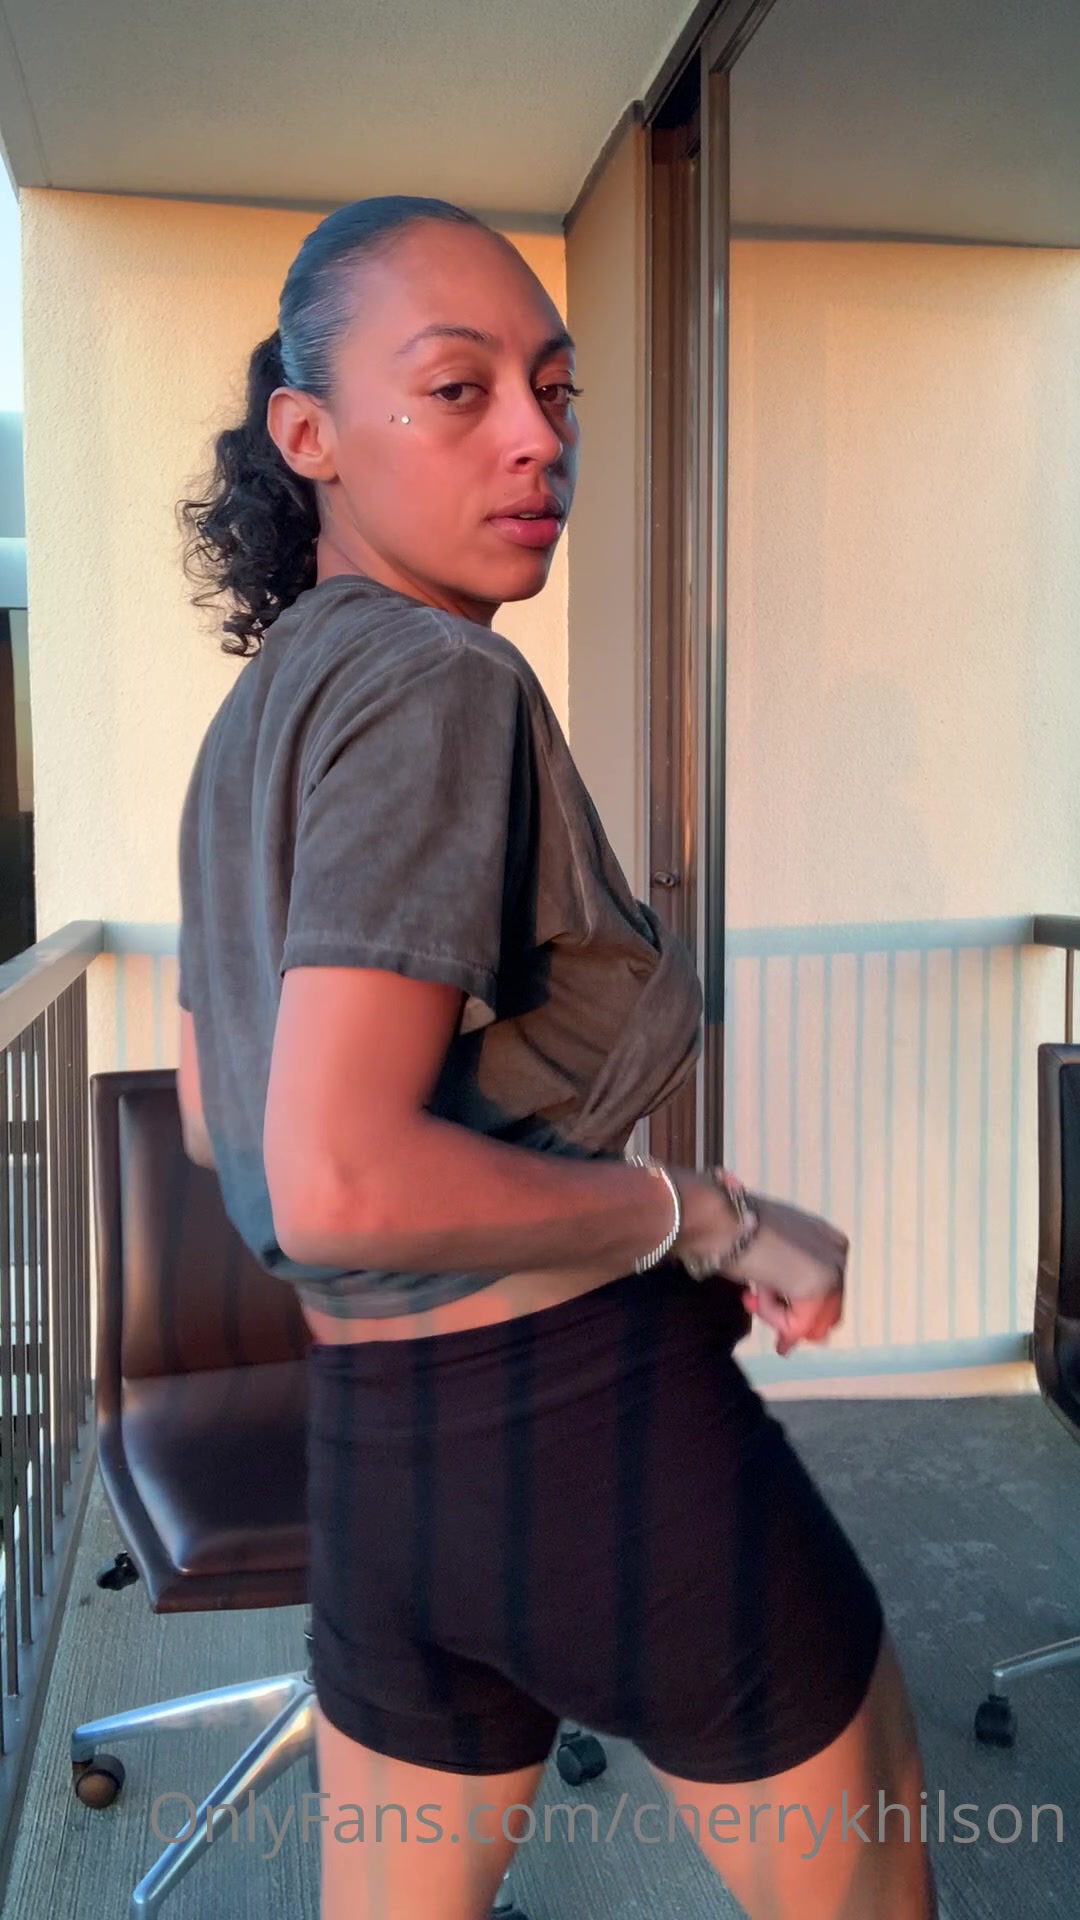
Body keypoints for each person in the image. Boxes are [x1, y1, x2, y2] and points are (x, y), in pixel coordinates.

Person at [174, 196, 937, 1920]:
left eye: (556, 388)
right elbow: (340, 1173)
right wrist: (710, 1215)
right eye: (459, 389)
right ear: (309, 436)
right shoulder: (439, 682)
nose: (538, 436)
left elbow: (232, 1125)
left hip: (377, 1458)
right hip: (589, 1439)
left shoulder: (260, 714)